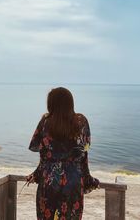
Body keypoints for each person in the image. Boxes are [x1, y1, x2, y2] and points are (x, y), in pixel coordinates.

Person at [27, 87, 99, 220]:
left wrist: (37, 174)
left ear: (51, 104)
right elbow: (83, 153)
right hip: (73, 180)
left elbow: (43, 155)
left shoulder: (45, 121)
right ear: (70, 103)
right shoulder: (81, 121)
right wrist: (88, 179)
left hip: (49, 180)